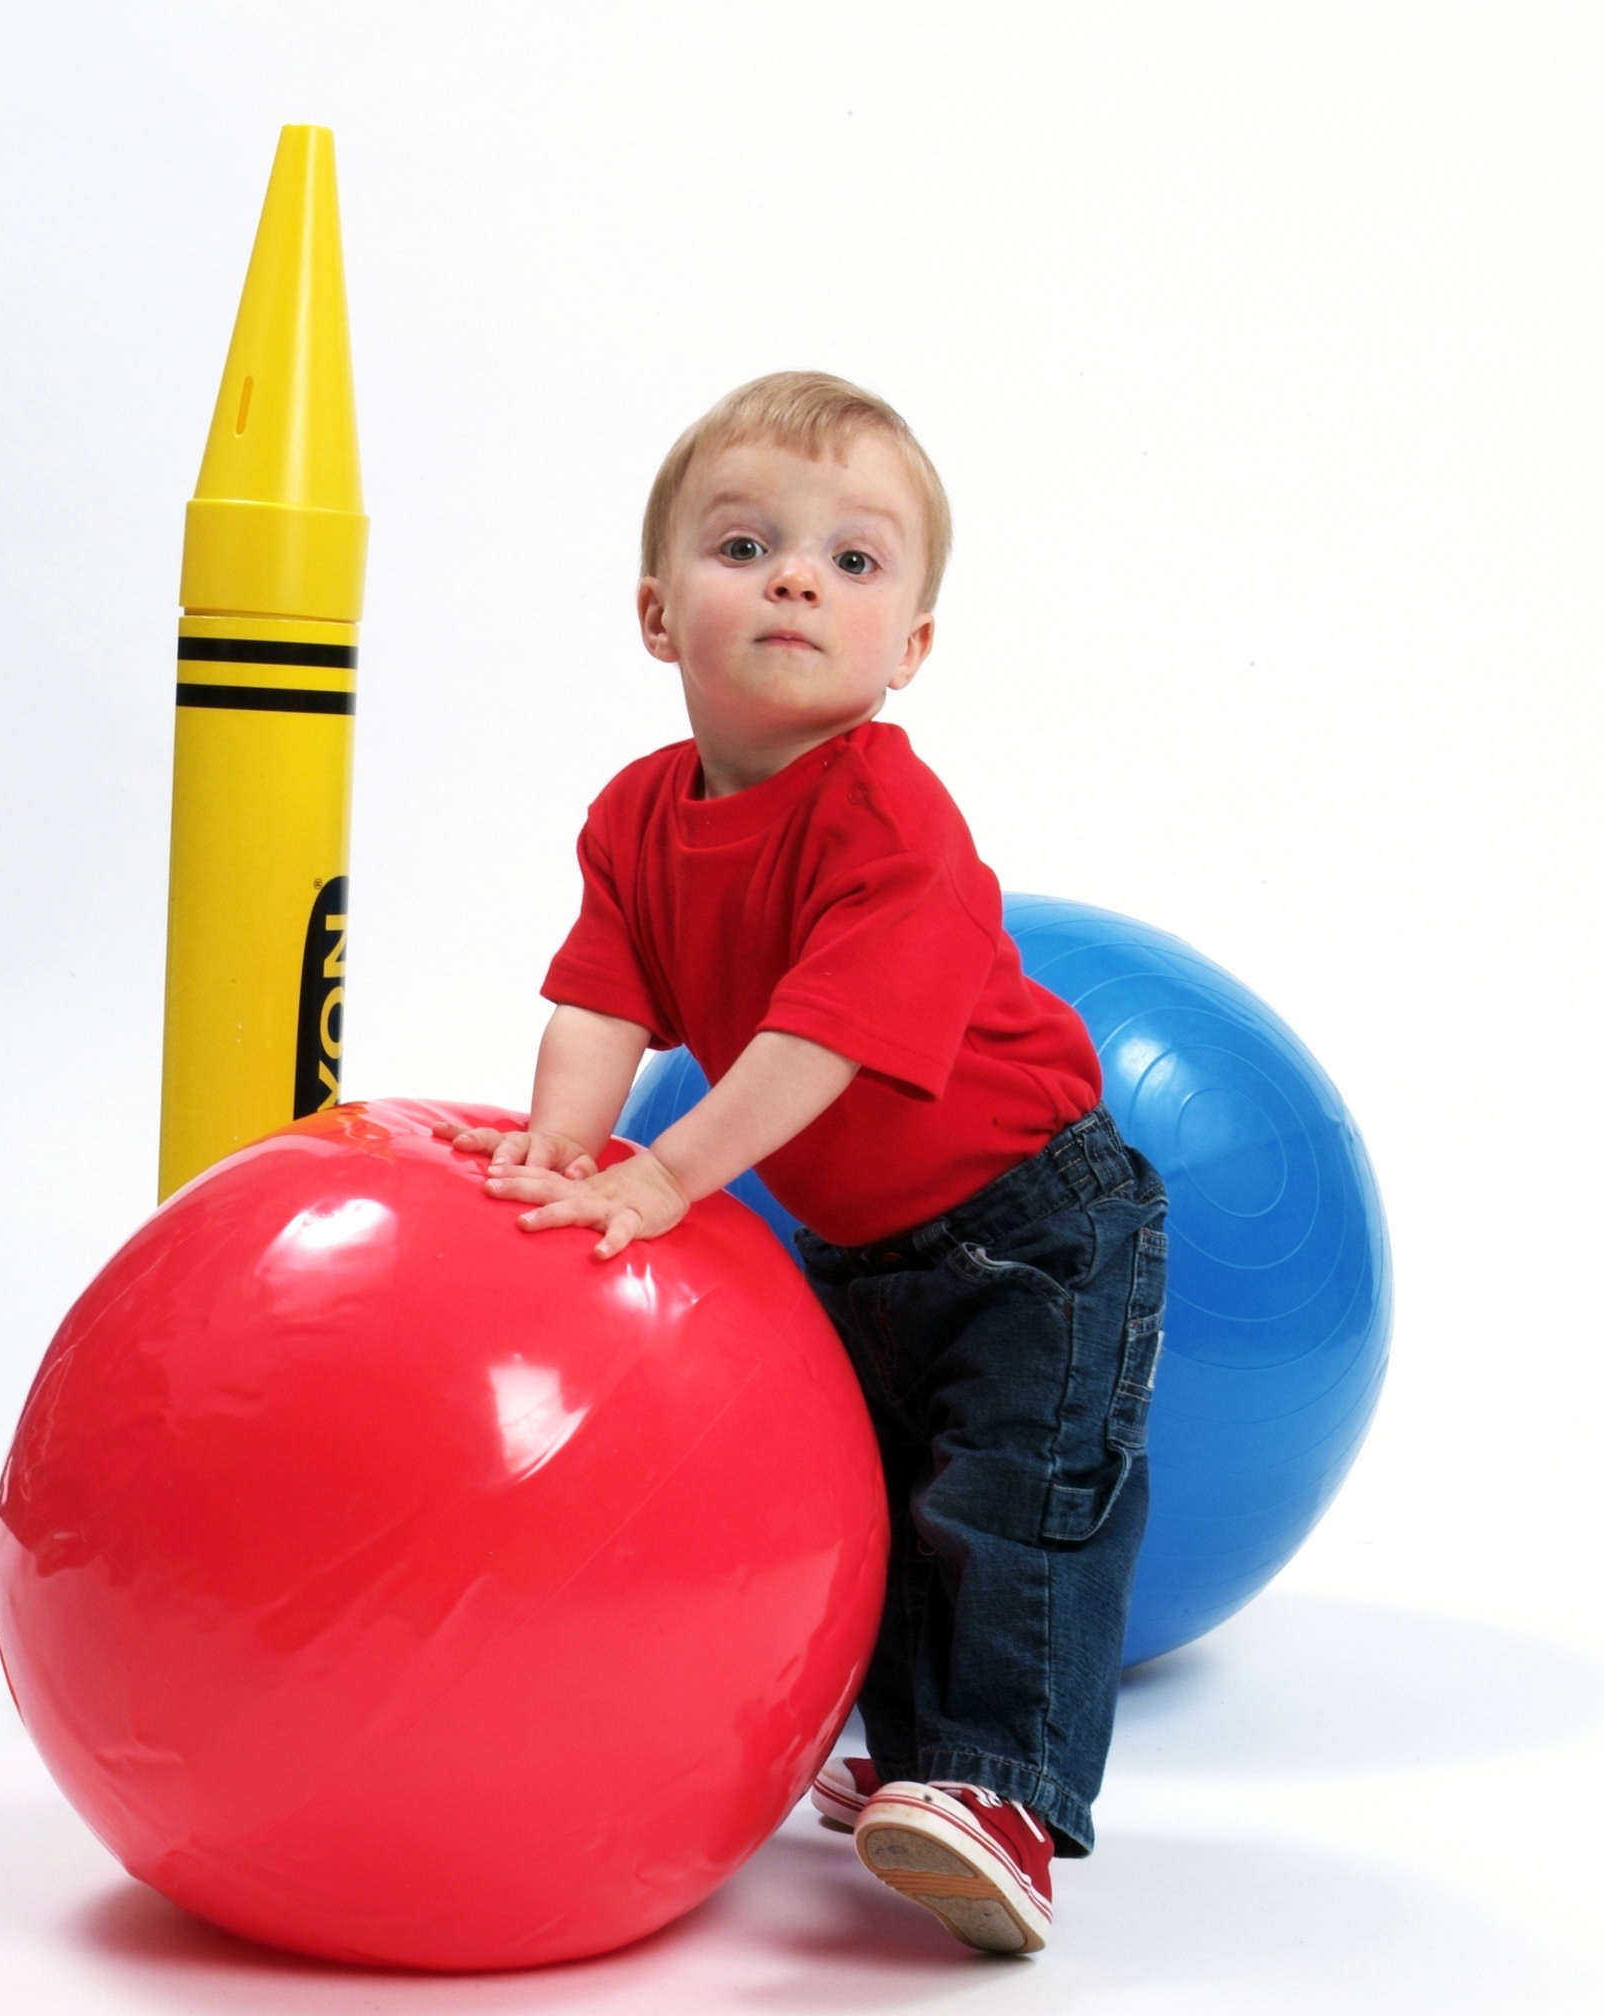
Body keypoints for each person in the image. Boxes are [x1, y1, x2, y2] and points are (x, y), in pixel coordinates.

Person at [436, 372, 1167, 1957]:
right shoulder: (636, 816)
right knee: (894, 1498)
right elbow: (599, 999)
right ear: (655, 611)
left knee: (1014, 1497)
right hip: (864, 1237)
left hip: (1036, 1221)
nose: (794, 579)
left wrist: (663, 1179)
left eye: (854, 561)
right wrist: (560, 1156)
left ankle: (1002, 1792)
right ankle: (916, 1755)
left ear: (908, 650)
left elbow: (814, 1045)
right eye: (748, 543)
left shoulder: (886, 812)